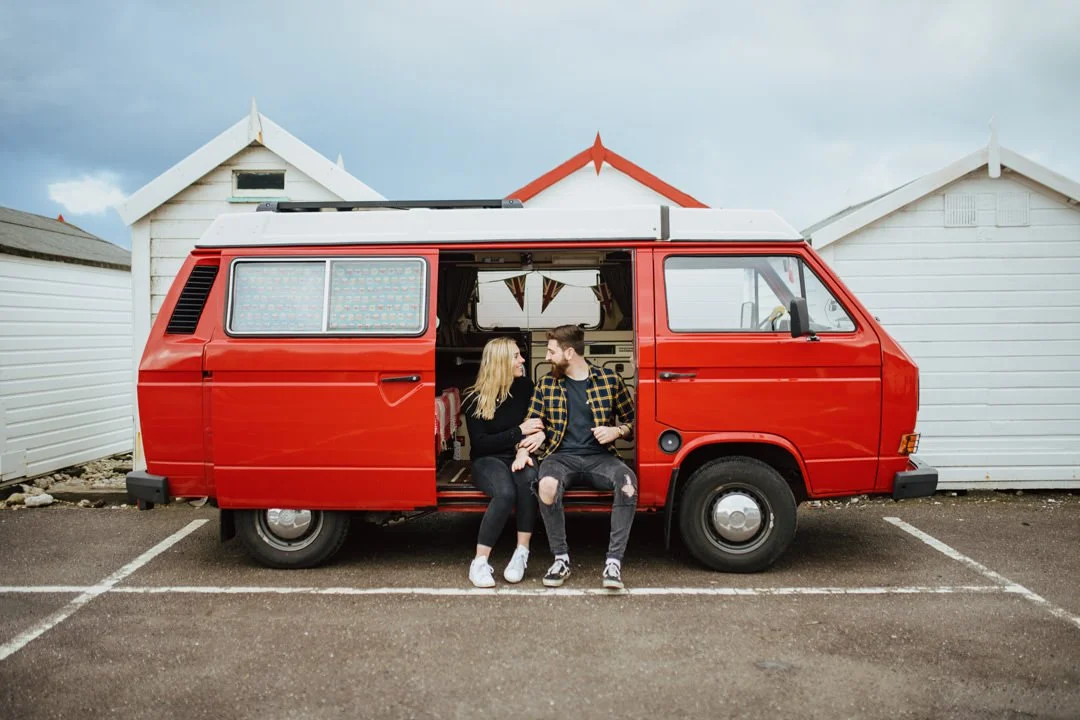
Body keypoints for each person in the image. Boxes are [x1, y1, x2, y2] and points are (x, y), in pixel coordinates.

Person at [512, 325, 637, 590]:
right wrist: (529, 444)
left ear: (569, 352)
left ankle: (613, 563)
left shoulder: (609, 380)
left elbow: (633, 423)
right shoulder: (547, 383)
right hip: (560, 457)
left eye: (551, 351)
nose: (546, 357)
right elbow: (531, 423)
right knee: (546, 485)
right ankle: (561, 559)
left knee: (628, 483)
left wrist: (617, 430)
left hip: (601, 458)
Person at [463, 337, 546, 588]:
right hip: (487, 460)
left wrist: (530, 443)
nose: (522, 360)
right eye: (516, 356)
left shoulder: (525, 387)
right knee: (505, 492)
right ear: (500, 362)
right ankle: (479, 562)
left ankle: (522, 553)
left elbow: (539, 423)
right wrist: (518, 431)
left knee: (528, 483)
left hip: (520, 454)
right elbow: (481, 443)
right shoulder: (474, 397)